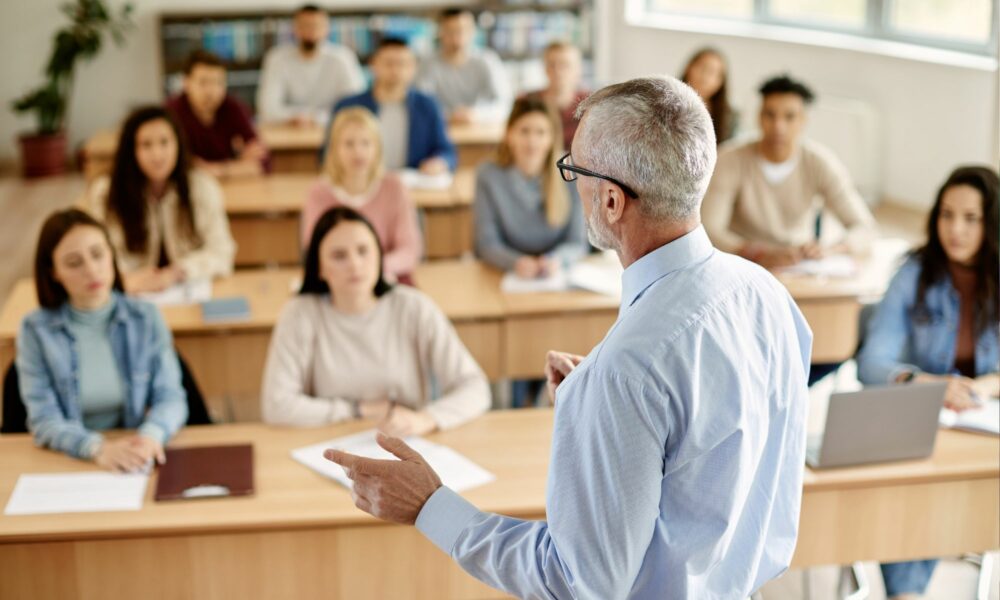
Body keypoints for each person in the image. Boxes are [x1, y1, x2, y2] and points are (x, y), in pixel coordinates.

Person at [326, 75, 813, 599]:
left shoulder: (628, 370)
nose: (570, 183)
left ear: (610, 202)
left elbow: (577, 582)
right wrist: (614, 415)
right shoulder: (767, 294)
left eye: (573, 169)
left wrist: (430, 506)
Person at [858, 165, 999, 600]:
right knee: (912, 489)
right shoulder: (913, 273)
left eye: (971, 218)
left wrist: (988, 385)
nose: (955, 229)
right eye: (946, 214)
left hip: (985, 423)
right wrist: (927, 382)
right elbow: (872, 363)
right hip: (927, 422)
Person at [261, 207, 489, 434]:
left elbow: (475, 387)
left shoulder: (414, 307)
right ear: (319, 268)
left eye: (363, 251)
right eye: (339, 256)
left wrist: (425, 419)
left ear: (379, 255)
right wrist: (357, 410)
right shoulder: (299, 314)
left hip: (406, 442)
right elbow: (276, 405)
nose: (355, 264)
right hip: (330, 442)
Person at [16, 209, 187, 471]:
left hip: (135, 453)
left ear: (112, 254)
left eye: (98, 254)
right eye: (74, 263)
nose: (92, 270)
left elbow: (171, 397)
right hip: (71, 457)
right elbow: (44, 420)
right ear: (54, 272)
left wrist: (150, 436)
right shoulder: (35, 331)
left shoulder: (146, 317)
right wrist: (97, 449)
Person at [701, 74, 876, 268]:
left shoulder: (820, 162)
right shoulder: (729, 159)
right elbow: (709, 228)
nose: (778, 126)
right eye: (770, 115)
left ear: (803, 120)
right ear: (759, 117)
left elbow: (864, 227)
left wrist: (829, 250)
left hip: (798, 264)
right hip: (741, 262)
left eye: (789, 117)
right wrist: (757, 253)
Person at [84, 106, 236, 294]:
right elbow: (97, 253)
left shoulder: (202, 186)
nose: (157, 155)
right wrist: (127, 280)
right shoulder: (106, 193)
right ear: (131, 151)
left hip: (186, 290)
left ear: (178, 144)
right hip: (129, 291)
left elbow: (222, 251)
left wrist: (177, 272)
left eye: (165, 142)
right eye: (146, 145)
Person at [304, 107, 422, 282]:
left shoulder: (395, 188)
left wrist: (371, 269)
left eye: (366, 143)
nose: (358, 152)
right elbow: (314, 252)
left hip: (387, 278)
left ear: (377, 149)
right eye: (349, 144)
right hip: (337, 282)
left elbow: (410, 251)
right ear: (334, 149)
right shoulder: (319, 193)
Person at [474, 97, 586, 278]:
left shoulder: (571, 171)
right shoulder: (488, 175)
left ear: (552, 138)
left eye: (541, 132)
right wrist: (515, 262)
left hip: (556, 273)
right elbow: (487, 244)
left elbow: (577, 242)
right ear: (509, 134)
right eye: (524, 131)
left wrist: (556, 260)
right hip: (506, 273)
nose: (532, 142)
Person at [329, 37, 455, 174]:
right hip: (361, 184)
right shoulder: (348, 106)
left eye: (402, 64)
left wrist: (440, 162)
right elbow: (328, 153)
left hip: (412, 183)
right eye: (389, 63)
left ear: (413, 68)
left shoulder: (428, 105)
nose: (395, 70)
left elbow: (446, 151)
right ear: (373, 65)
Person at [256, 4, 365, 127]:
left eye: (316, 26)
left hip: (334, 130)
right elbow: (267, 108)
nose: (310, 31)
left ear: (327, 29)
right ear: (294, 29)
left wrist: (316, 119)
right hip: (287, 131)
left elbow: (354, 106)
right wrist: (297, 118)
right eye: (304, 25)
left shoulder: (343, 58)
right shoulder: (277, 58)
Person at [166, 50, 269, 177]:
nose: (211, 91)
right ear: (186, 83)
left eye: (218, 82)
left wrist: (217, 170)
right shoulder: (171, 113)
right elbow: (174, 166)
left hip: (231, 188)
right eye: (203, 82)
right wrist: (238, 165)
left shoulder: (233, 108)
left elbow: (263, 162)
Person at [415, 8, 510, 124]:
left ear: (474, 31)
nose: (457, 37)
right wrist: (449, 115)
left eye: (463, 30)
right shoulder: (428, 63)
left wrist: (476, 114)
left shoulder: (487, 61)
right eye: (450, 31)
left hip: (481, 128)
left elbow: (504, 103)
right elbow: (420, 103)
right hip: (441, 127)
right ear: (440, 32)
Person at [522, 41, 589, 151]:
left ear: (578, 69)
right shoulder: (528, 102)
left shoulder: (590, 105)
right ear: (544, 68)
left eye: (564, 65)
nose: (557, 71)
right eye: (552, 64)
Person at [680, 47, 738, 144]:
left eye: (712, 72)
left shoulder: (729, 117)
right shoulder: (663, 102)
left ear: (721, 82)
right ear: (688, 68)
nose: (705, 77)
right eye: (702, 68)